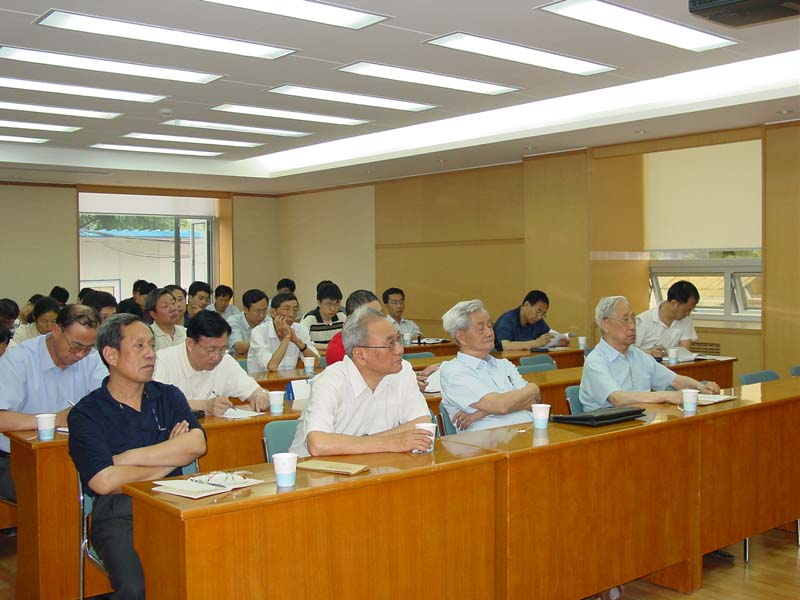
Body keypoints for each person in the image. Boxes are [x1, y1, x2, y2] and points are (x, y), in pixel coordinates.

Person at [68, 313, 205, 600]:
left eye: (152, 346)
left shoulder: (167, 396)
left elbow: (196, 444)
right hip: (118, 514)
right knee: (135, 588)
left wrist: (127, 458)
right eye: (139, 346)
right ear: (111, 355)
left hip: (175, 502)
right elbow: (104, 481)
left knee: (208, 569)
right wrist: (172, 456)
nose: (151, 354)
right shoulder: (86, 413)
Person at [289, 307, 433, 457]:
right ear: (360, 355)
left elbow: (422, 424)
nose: (400, 350)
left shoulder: (402, 371)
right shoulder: (330, 381)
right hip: (313, 468)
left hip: (371, 463)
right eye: (390, 344)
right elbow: (318, 444)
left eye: (398, 339)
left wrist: (369, 443)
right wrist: (393, 442)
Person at [0, 305, 107, 501]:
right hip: (17, 458)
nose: (80, 355)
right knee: (50, 493)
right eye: (75, 346)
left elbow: (106, 403)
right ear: (56, 330)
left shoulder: (92, 358)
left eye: (88, 348)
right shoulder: (18, 360)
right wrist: (55, 419)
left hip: (78, 454)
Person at [580, 296, 720, 412]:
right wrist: (666, 396)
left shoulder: (638, 355)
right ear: (605, 324)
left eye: (633, 319)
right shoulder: (595, 360)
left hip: (639, 422)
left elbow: (674, 380)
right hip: (607, 429)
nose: (632, 326)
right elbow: (617, 398)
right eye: (625, 320)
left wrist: (700, 387)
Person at [439, 300, 541, 432]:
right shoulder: (454, 371)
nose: (489, 333)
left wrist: (483, 412)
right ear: (461, 337)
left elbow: (534, 401)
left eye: (489, 326)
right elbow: (501, 405)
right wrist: (533, 388)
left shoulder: (504, 364)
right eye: (481, 329)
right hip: (488, 440)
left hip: (528, 431)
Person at [154, 311, 268, 416]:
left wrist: (260, 396)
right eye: (211, 350)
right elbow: (156, 404)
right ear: (190, 344)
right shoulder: (162, 362)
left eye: (222, 349)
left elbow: (255, 390)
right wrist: (204, 406)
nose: (216, 357)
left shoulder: (225, 361)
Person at [248, 293, 318, 373]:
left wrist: (297, 341)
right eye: (287, 309)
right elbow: (272, 366)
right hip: (261, 379)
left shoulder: (300, 330)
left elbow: (316, 363)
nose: (292, 314)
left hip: (289, 379)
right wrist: (287, 337)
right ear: (273, 312)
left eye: (295, 310)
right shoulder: (259, 332)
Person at [636, 280, 700, 358]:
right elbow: (629, 351)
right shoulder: (643, 321)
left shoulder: (685, 318)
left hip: (673, 364)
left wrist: (666, 353)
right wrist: (650, 352)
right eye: (687, 310)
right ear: (674, 304)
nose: (688, 314)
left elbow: (685, 350)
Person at [493, 290, 568, 351]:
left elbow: (548, 336)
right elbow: (506, 345)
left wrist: (559, 341)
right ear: (526, 305)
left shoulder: (538, 321)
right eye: (538, 312)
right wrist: (536, 343)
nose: (539, 317)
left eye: (543, 314)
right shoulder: (507, 320)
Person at [326, 290, 382, 366]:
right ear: (352, 320)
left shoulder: (384, 338)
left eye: (381, 314)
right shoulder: (339, 347)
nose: (380, 320)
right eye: (372, 316)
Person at [300, 282, 346, 346]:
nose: (333, 309)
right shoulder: (309, 319)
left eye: (337, 304)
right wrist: (327, 347)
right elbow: (302, 343)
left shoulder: (342, 317)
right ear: (319, 303)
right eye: (329, 304)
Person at [226, 289, 269, 355]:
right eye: (258, 311)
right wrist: (267, 343)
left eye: (265, 310)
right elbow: (239, 347)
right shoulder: (233, 321)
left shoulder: (268, 321)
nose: (262, 315)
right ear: (245, 309)